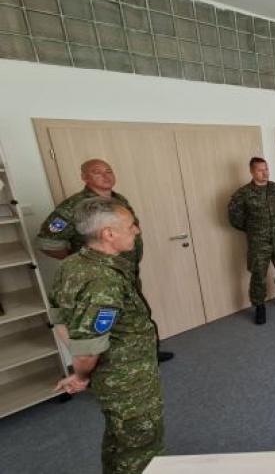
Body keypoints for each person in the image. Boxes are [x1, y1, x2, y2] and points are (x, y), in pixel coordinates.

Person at [52, 197, 164, 474]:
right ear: (108, 234)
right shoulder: (103, 281)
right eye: (130, 225)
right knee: (141, 448)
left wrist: (83, 371)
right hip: (127, 381)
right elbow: (88, 349)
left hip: (111, 378)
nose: (137, 230)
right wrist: (81, 375)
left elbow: (59, 320)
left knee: (118, 438)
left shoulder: (73, 264)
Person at [37, 159, 173, 363]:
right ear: (85, 178)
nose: (105, 176)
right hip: (102, 274)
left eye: (108, 171)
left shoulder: (119, 200)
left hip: (126, 272)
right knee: (104, 324)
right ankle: (115, 368)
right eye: (97, 172)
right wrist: (82, 261)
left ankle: (149, 353)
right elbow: (47, 242)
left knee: (137, 314)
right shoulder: (75, 206)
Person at [229, 157, 275, 325]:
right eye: (260, 170)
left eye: (266, 168)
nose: (265, 173)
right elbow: (235, 219)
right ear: (252, 171)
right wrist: (254, 229)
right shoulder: (242, 194)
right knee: (258, 274)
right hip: (258, 242)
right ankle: (259, 307)